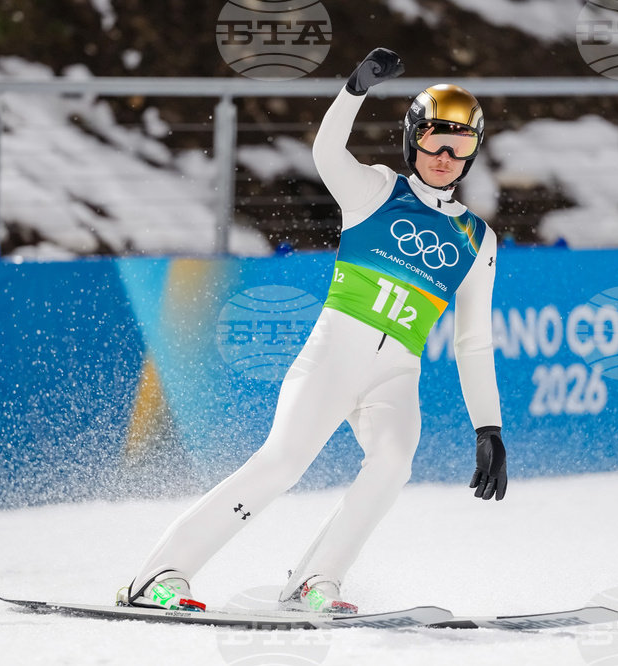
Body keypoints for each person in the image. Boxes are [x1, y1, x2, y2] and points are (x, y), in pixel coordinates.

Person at [117, 47, 506, 615]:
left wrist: (488, 427)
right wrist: (355, 89)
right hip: (334, 354)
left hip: (397, 372)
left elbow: (474, 342)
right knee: (282, 463)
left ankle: (314, 584)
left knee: (393, 464)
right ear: (411, 140)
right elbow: (326, 151)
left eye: (461, 144)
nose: (445, 155)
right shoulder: (375, 191)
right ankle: (156, 576)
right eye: (433, 139)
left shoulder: (478, 239)